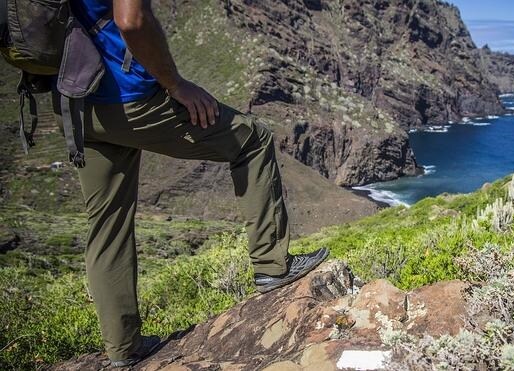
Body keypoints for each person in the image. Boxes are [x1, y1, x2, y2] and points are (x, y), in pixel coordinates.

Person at [61, 0, 329, 367]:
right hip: (130, 97)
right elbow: (131, 20)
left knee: (107, 222)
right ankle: (272, 265)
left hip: (78, 100)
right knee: (253, 139)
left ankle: (123, 349)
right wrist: (175, 85)